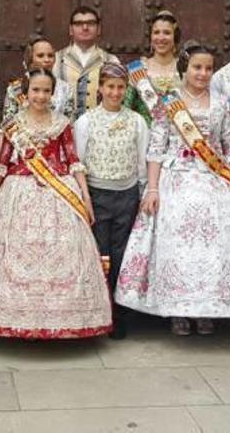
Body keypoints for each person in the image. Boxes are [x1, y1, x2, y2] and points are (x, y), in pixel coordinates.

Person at [114, 41, 230, 337]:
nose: (203, 73)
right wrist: (152, 190)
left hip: (215, 180)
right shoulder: (169, 102)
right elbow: (156, 149)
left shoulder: (222, 101)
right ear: (184, 69)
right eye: (197, 67)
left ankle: (207, 309)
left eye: (208, 68)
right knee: (178, 247)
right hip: (177, 180)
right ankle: (178, 311)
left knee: (217, 246)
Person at [0, 68, 113, 339]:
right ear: (26, 93)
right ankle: (13, 319)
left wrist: (85, 198)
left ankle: (64, 320)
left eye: (46, 90)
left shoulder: (62, 124)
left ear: (53, 93)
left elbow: (73, 161)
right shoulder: (13, 126)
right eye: (36, 90)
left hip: (59, 193)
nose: (41, 96)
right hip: (17, 193)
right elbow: (0, 164)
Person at [74, 63, 150, 339]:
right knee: (98, 252)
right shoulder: (86, 121)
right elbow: (79, 162)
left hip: (126, 194)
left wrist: (142, 194)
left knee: (121, 253)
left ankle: (119, 314)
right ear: (101, 89)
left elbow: (142, 162)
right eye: (110, 87)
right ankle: (97, 309)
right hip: (97, 194)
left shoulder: (137, 121)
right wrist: (84, 197)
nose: (115, 92)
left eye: (120, 87)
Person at [53, 6, 120, 119]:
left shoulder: (111, 61)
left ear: (99, 29)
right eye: (79, 24)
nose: (85, 27)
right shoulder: (55, 60)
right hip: (63, 130)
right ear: (70, 29)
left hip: (99, 129)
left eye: (91, 23)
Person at [123, 10, 183, 126]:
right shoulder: (138, 69)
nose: (161, 38)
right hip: (146, 135)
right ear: (151, 37)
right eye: (156, 32)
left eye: (166, 33)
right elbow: (125, 108)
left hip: (180, 136)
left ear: (175, 37)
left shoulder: (186, 68)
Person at [1, 36, 74, 124]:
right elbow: (8, 122)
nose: (47, 60)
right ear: (30, 58)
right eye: (40, 56)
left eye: (50, 56)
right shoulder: (16, 88)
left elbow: (69, 124)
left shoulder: (65, 89)